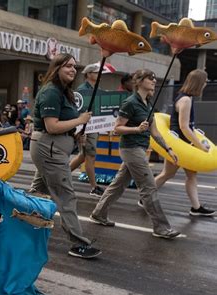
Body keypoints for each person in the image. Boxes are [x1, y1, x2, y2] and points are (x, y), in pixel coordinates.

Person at [89, 69, 181, 239]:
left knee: (118, 185)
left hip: (139, 148)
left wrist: (168, 149)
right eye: (150, 78)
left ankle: (98, 213)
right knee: (148, 186)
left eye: (154, 78)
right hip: (131, 149)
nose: (154, 80)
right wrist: (136, 129)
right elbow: (117, 128)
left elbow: (155, 132)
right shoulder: (130, 103)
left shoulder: (149, 104)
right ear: (139, 81)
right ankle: (161, 227)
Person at [30, 53, 100, 259]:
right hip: (48, 149)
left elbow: (63, 124)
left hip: (53, 148)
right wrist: (80, 120)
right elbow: (52, 126)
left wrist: (75, 135)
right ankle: (78, 243)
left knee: (37, 192)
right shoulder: (50, 92)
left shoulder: (64, 92)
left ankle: (15, 226)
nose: (72, 70)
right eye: (68, 66)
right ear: (57, 68)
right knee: (65, 195)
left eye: (75, 67)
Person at [154, 69, 215, 216]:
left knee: (171, 174)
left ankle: (196, 207)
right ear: (199, 83)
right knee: (169, 174)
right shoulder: (186, 100)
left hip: (181, 143)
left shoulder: (185, 98)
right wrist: (200, 146)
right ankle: (195, 207)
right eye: (205, 81)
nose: (206, 84)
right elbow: (184, 127)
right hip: (180, 144)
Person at [69, 63, 105, 197]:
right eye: (96, 72)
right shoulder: (82, 90)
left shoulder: (96, 88)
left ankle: (63, 176)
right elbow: (79, 109)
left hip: (94, 125)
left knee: (84, 155)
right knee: (90, 155)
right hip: (86, 127)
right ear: (88, 74)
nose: (99, 75)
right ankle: (94, 187)